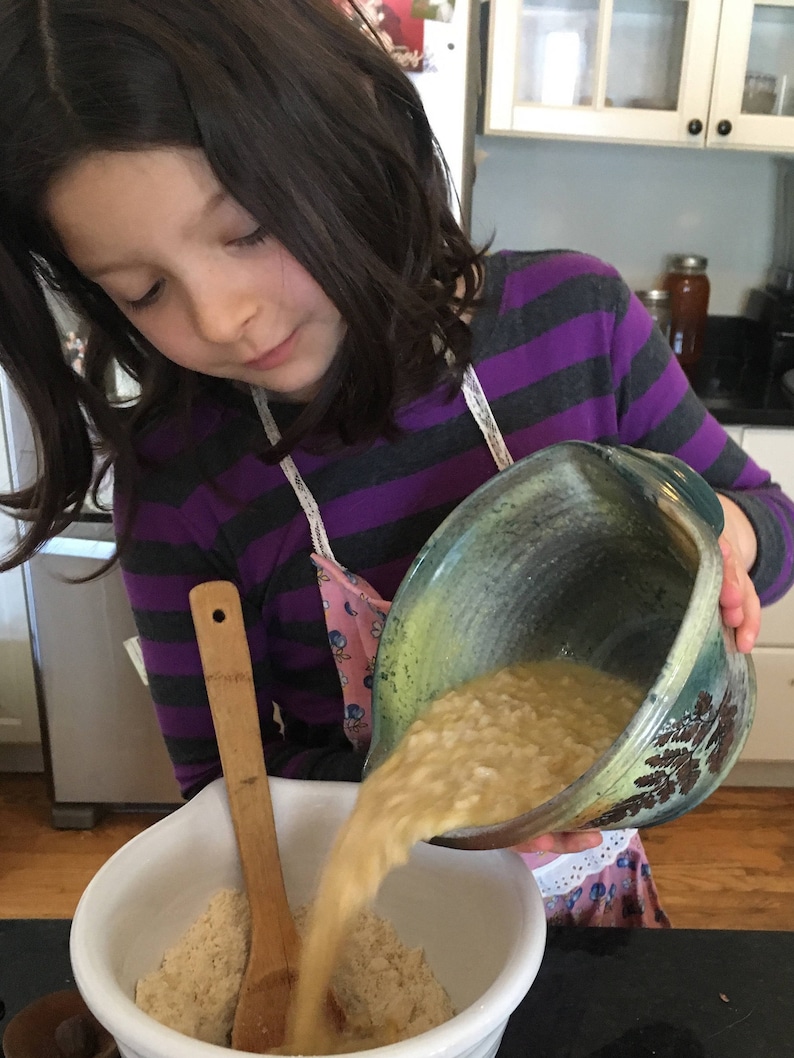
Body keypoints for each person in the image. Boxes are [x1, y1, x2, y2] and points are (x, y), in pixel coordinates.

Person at [1, 0, 792, 928]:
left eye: (250, 228)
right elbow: (233, 785)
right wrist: (452, 808)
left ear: (348, 141)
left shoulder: (579, 324)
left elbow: (771, 520)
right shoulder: (182, 484)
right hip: (373, 911)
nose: (219, 318)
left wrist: (722, 539)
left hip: (591, 908)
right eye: (144, 290)